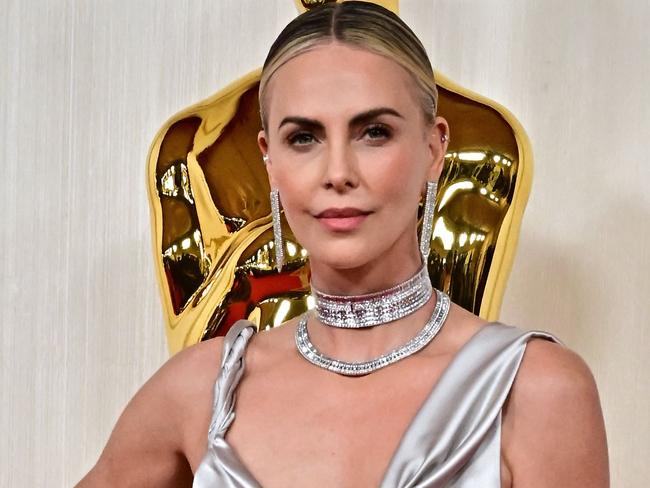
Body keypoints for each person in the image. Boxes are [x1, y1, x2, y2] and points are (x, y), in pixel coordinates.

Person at [76, 2, 609, 487]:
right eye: (303, 138)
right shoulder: (200, 390)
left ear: (433, 146)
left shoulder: (535, 390)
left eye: (373, 132)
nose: (337, 173)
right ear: (269, 160)